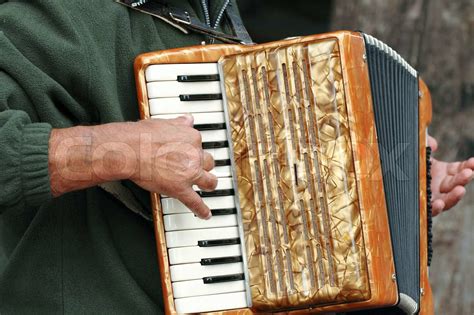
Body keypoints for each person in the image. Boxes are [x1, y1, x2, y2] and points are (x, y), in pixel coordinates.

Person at [0, 1, 472, 313]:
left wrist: (390, 191)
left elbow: (270, 199)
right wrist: (116, 150)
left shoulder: (222, 25)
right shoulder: (54, 18)